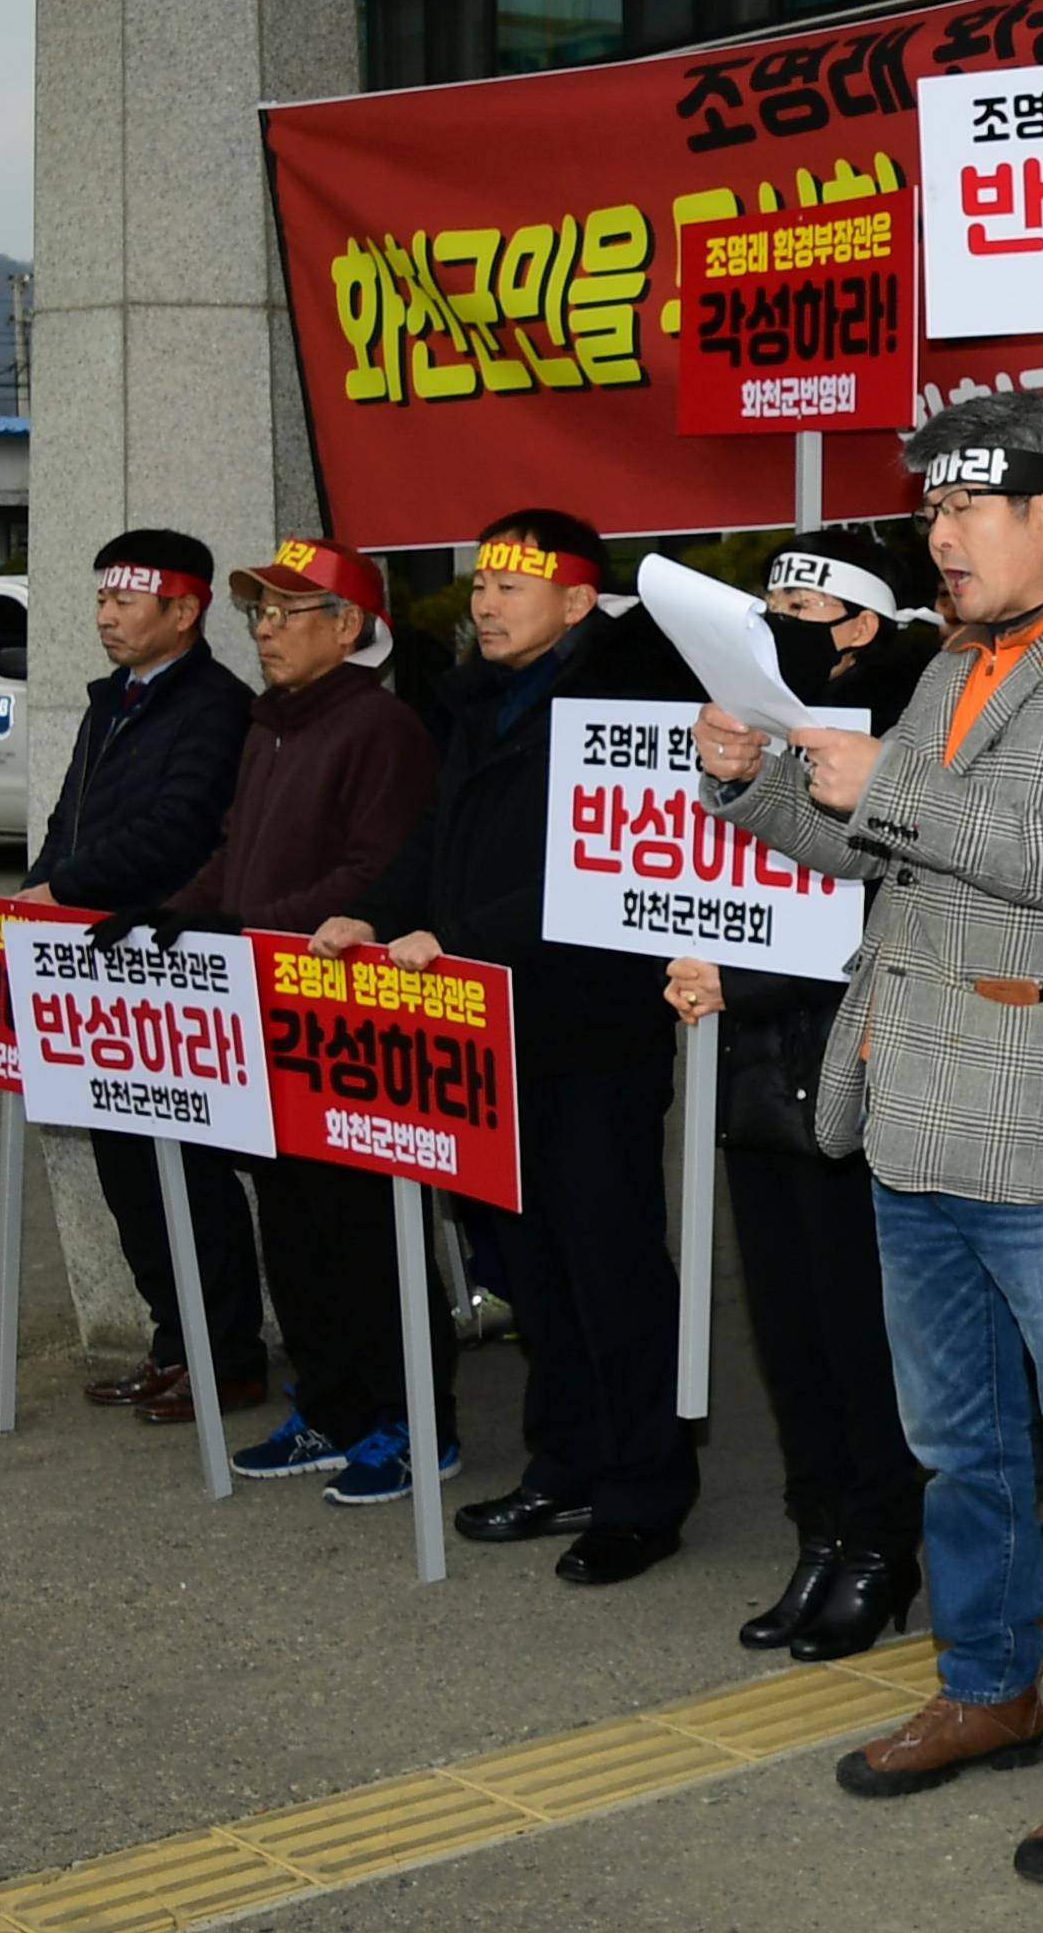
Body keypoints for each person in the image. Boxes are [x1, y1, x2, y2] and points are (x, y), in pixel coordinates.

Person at [695, 394, 1043, 1886]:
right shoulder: (958, 666)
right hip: (913, 1107)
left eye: (964, 514)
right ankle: (989, 1692)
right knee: (957, 1453)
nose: (938, 539)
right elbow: (878, 844)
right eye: (930, 515)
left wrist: (892, 784)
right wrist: (762, 783)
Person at [313, 510, 699, 1588]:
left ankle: (643, 1488)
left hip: (591, 1024)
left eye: (511, 589)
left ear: (579, 600)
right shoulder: (479, 696)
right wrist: (375, 914)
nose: (483, 604)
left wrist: (461, 939)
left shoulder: (637, 696)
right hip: (486, 1024)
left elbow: (609, 869)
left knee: (609, 1258)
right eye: (481, 584)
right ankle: (566, 1459)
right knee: (531, 1262)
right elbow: (435, 835)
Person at [86, 540, 451, 1504]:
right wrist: (180, 912)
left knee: (365, 1228)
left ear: (349, 629)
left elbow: (373, 877)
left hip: (345, 1024)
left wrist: (240, 923)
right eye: (260, 612)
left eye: (290, 613)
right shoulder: (269, 725)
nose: (266, 629)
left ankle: (414, 1422)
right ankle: (331, 1406)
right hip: (266, 1012)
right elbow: (233, 854)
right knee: (292, 1224)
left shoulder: (381, 727)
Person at [661, 528, 934, 1663]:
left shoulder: (917, 717)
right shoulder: (756, 729)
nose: (771, 635)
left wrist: (744, 970)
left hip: (861, 1059)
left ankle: (881, 1541)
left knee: (858, 1323)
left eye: (798, 617)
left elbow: (890, 895)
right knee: (784, 1321)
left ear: (863, 626)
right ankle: (818, 1529)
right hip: (758, 1055)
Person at [19, 531, 265, 1428]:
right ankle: (175, 1344)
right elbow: (69, 816)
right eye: (100, 601)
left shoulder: (216, 708)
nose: (106, 617)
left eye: (125, 602)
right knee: (127, 1170)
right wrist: (38, 890)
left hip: (170, 965)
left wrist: (65, 888)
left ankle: (228, 1357)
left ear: (185, 611)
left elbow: (180, 829)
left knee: (188, 1172)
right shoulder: (112, 701)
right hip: (98, 968)